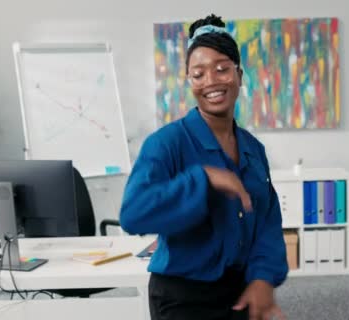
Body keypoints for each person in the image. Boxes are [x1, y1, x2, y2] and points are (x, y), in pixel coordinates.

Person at [120, 14, 288, 320]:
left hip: (240, 291)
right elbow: (133, 214)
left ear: (239, 74)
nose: (210, 81)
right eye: (198, 74)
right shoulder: (166, 143)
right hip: (182, 297)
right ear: (189, 82)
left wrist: (263, 277)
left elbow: (267, 223)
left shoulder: (253, 149)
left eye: (222, 69)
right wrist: (202, 180)